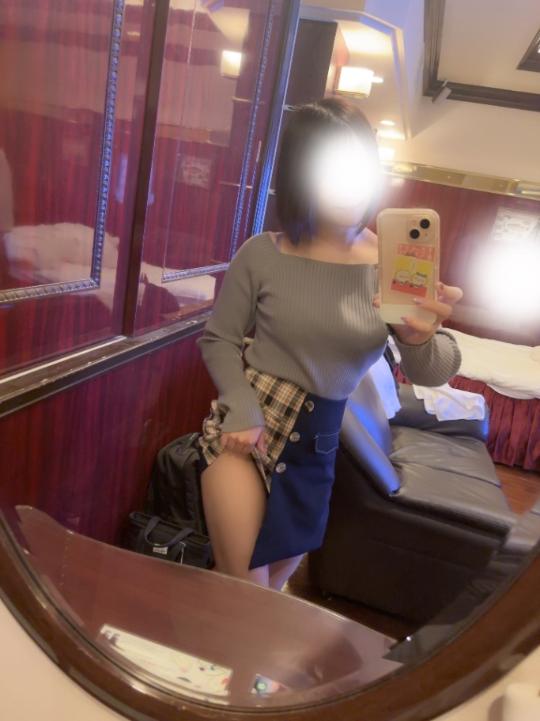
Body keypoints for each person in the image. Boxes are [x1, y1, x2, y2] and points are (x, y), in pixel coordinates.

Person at [196, 97, 463, 591]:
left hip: (316, 445)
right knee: (248, 590)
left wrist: (420, 337)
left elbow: (433, 371)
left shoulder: (392, 263)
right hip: (249, 431)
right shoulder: (262, 254)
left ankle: (192, 633)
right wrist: (240, 407)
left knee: (266, 590)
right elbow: (219, 339)